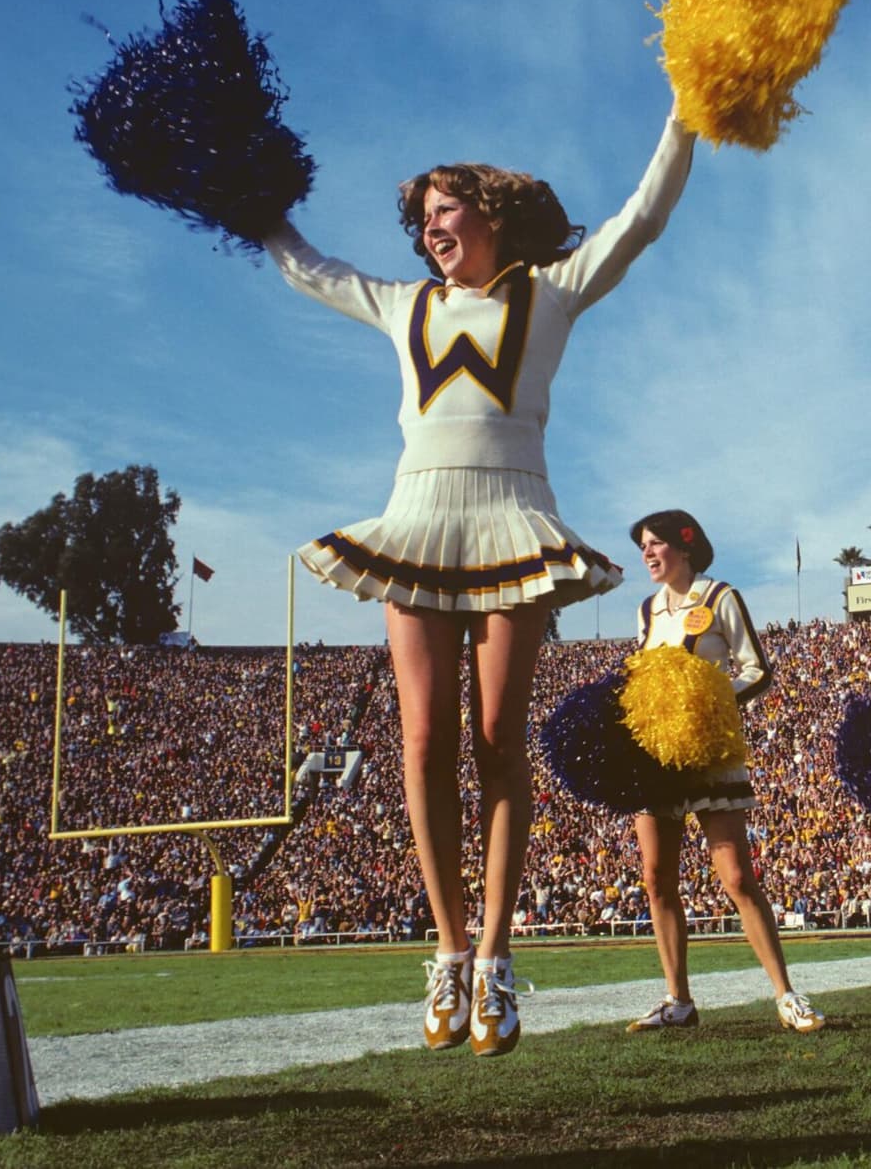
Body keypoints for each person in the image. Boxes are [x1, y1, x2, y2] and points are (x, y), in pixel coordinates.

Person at [264, 111, 697, 1055]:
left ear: (492, 214)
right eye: (423, 216)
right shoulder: (401, 303)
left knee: (499, 740)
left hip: (512, 521)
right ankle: (450, 949)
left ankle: (497, 954)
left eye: (446, 208)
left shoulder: (550, 292)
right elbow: (310, 268)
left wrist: (685, 111)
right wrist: (250, 201)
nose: (431, 227)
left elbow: (642, 219)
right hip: (416, 523)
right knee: (423, 741)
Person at [622, 510, 823, 1034]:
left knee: (735, 876)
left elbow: (757, 669)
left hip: (710, 751)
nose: (647, 553)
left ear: (685, 547)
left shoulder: (719, 596)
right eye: (642, 546)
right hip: (657, 757)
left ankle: (786, 995)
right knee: (657, 879)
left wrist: (709, 701)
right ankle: (678, 1001)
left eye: (655, 543)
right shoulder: (646, 610)